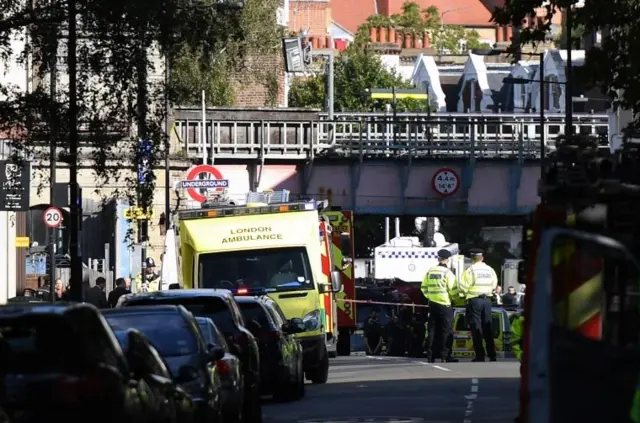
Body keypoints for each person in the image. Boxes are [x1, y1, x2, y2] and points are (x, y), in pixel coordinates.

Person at [460, 248, 499, 362]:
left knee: (476, 327)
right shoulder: (490, 270)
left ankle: (480, 355)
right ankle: (492, 355)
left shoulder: (470, 270)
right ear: (482, 258)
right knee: (488, 326)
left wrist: (465, 294)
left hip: (474, 300)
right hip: (487, 301)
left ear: (472, 259)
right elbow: (494, 284)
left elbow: (463, 286)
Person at [422, 249, 459, 363]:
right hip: (445, 304)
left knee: (432, 330)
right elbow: (453, 289)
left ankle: (430, 356)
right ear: (447, 260)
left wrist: (431, 297)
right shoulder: (447, 273)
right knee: (446, 331)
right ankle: (445, 355)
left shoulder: (430, 271)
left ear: (439, 259)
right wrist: (455, 299)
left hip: (432, 304)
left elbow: (424, 288)